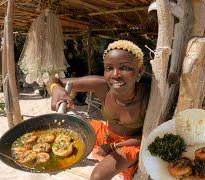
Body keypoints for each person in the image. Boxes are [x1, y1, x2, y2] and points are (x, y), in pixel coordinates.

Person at [47, 40, 149, 180]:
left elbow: (147, 136)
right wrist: (56, 89)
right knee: (65, 127)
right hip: (106, 132)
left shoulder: (148, 98)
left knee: (97, 177)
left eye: (125, 68)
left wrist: (113, 146)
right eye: (109, 68)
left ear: (140, 70)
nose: (115, 74)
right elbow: (54, 80)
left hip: (131, 143)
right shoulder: (102, 86)